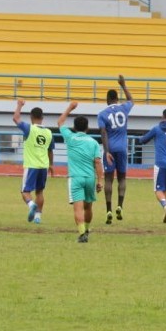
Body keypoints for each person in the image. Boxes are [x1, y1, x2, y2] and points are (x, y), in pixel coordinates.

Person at [57, 102, 104, 243]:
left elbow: (60, 122)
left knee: (78, 208)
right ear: (87, 128)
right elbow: (97, 162)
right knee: (88, 206)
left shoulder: (70, 137)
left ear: (74, 127)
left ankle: (82, 233)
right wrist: (100, 180)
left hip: (75, 177)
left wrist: (70, 108)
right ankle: (87, 229)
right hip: (90, 177)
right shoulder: (93, 142)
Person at [98, 74, 133, 225]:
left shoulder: (102, 114)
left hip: (110, 148)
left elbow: (103, 133)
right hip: (122, 148)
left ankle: (109, 210)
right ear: (117, 99)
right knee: (122, 178)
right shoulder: (124, 108)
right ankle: (120, 205)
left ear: (107, 100)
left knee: (108, 179)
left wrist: (106, 151)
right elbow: (132, 100)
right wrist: (123, 85)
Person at [137, 108, 166, 223]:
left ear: (162, 116)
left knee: (158, 190)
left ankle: (165, 206)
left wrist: (139, 138)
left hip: (161, 163)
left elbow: (143, 140)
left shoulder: (157, 129)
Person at [13, 99, 55, 224]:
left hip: (31, 165)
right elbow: (50, 150)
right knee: (40, 192)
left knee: (25, 191)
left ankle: (31, 205)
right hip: (44, 166)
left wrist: (19, 105)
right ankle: (38, 217)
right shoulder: (49, 132)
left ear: (31, 117)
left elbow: (15, 118)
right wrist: (51, 165)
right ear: (42, 117)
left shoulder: (29, 128)